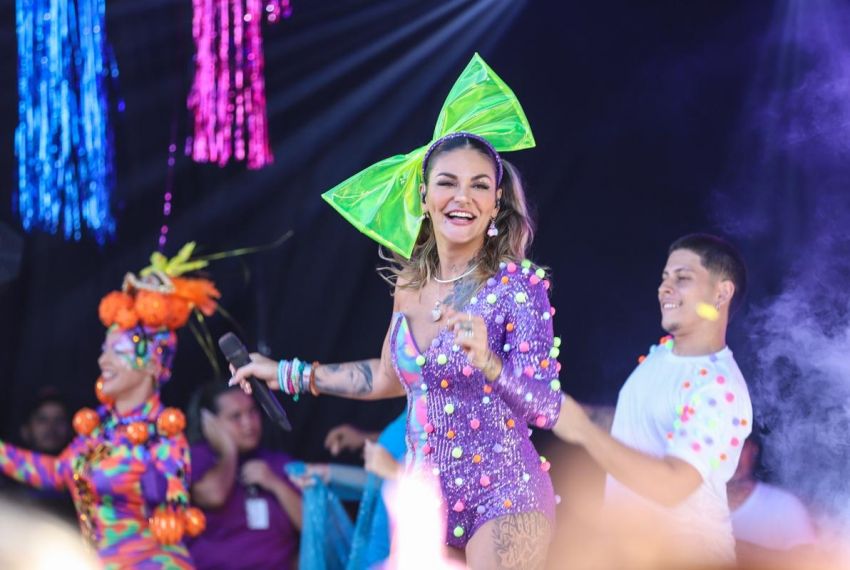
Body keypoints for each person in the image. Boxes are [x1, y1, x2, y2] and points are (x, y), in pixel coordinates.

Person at [231, 54, 563, 569]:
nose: (463, 196)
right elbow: (387, 377)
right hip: (423, 496)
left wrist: (491, 365)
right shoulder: (410, 287)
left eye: (480, 185)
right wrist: (285, 373)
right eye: (448, 182)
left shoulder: (517, 289)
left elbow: (546, 407)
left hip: (505, 495)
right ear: (425, 196)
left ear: (496, 205)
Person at [0, 244, 219, 568]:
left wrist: (161, 489)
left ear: (151, 364)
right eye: (105, 350)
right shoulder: (99, 429)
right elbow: (56, 472)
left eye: (116, 351)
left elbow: (173, 502)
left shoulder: (162, 435)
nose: (103, 359)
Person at [553, 233, 753, 564]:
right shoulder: (662, 354)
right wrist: (567, 412)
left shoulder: (719, 388)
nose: (664, 288)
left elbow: (672, 486)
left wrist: (584, 432)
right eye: (664, 278)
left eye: (682, 278)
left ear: (721, 293)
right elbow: (635, 428)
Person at [187, 382, 302, 570]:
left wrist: (274, 483)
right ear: (211, 423)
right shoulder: (197, 458)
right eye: (235, 417)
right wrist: (228, 450)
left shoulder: (276, 463)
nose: (248, 423)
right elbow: (213, 495)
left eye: (252, 412)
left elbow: (314, 526)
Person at [729, 433, 817, 559]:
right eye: (725, 448)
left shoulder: (785, 506)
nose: (733, 456)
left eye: (740, 446)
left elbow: (809, 563)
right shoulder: (698, 506)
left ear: (754, 451)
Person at [0, 389, 76, 522]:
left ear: (71, 429)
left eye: (59, 420)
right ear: (25, 430)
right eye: (42, 420)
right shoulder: (7, 485)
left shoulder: (83, 475)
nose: (51, 428)